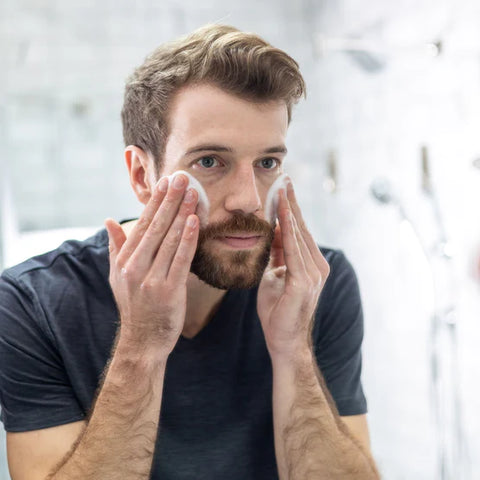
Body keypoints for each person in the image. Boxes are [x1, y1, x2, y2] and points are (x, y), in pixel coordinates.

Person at [0, 24, 379, 479]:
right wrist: (142, 343)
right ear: (142, 175)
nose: (249, 199)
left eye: (266, 163)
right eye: (209, 162)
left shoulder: (317, 282)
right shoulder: (30, 302)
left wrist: (293, 348)